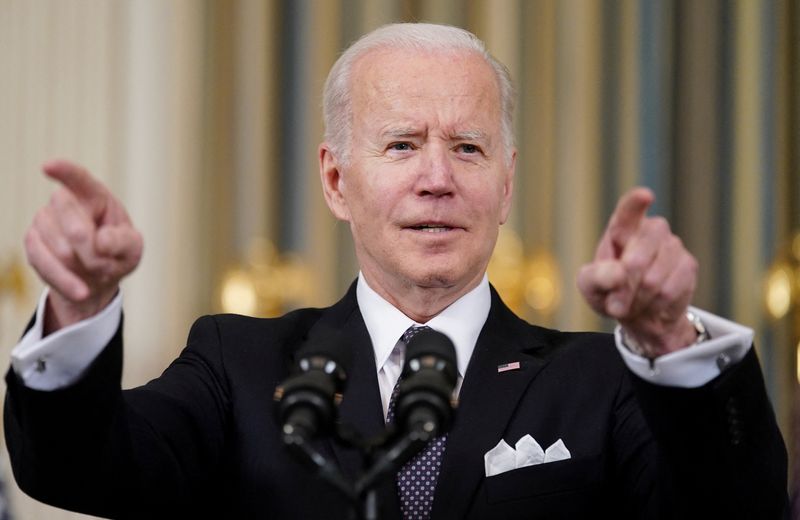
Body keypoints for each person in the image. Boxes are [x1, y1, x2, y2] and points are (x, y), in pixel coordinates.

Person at [5, 23, 787, 519]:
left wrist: (667, 338)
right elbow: (77, 469)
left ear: (506, 183)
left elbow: (741, 507)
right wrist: (80, 312)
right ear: (337, 181)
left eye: (468, 148)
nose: (437, 178)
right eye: (402, 144)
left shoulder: (602, 380)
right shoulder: (236, 369)